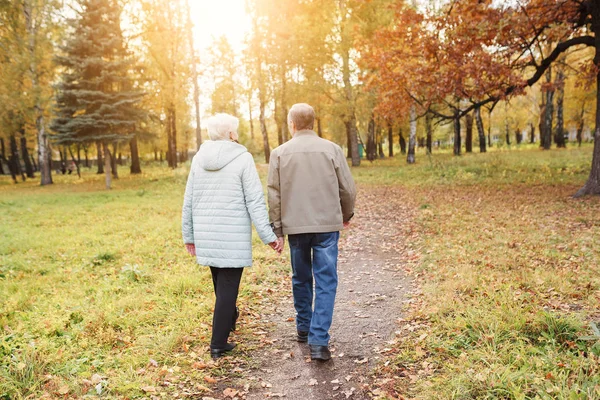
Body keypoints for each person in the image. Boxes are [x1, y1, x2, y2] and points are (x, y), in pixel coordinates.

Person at [182, 113, 283, 359]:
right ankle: (218, 344)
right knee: (227, 290)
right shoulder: (243, 158)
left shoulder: (199, 159)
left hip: (207, 234)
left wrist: (189, 235)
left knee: (221, 286)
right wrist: (269, 236)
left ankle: (228, 318)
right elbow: (255, 200)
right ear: (230, 133)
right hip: (231, 236)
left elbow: (189, 199)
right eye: (234, 130)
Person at [268, 103, 357, 361]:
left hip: (295, 227)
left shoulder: (279, 153)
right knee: (326, 280)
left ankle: (303, 327)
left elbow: (274, 193)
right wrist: (345, 214)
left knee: (301, 277)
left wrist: (277, 228)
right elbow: (347, 189)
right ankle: (319, 340)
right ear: (313, 123)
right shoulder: (332, 149)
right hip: (327, 225)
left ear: (292, 124)